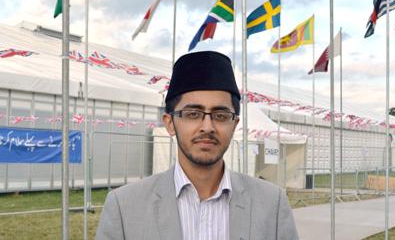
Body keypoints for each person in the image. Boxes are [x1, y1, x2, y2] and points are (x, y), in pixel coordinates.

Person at [96, 51, 298, 240]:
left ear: (234, 124)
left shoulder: (272, 203)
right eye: (193, 114)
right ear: (170, 123)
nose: (207, 127)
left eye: (220, 115)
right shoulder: (124, 206)